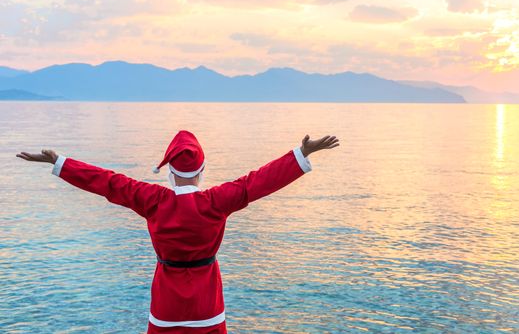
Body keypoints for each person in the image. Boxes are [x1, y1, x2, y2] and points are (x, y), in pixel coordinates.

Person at [16, 131, 339, 333]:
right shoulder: (216, 201)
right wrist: (302, 154)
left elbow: (108, 182)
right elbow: (259, 181)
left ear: (169, 170)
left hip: (166, 301)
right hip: (207, 302)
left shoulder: (153, 200)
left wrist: (60, 162)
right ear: (202, 171)